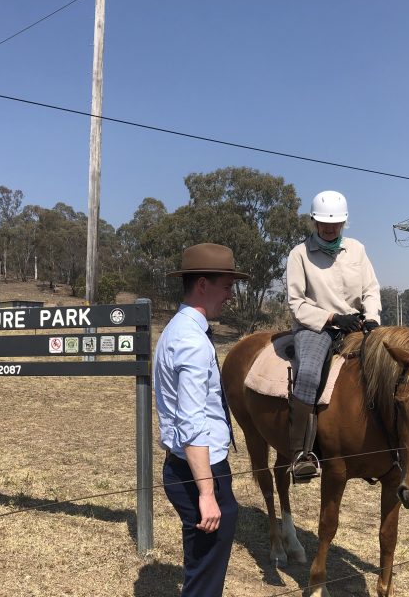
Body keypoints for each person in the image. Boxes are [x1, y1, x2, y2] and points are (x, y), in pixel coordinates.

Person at [154, 242, 249, 597]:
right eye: (226, 286)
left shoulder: (176, 330)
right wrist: (207, 493)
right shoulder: (192, 342)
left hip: (187, 467)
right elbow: (192, 421)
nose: (230, 295)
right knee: (205, 577)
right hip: (199, 472)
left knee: (201, 566)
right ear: (203, 285)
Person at [285, 190, 381, 481]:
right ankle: (301, 453)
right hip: (318, 327)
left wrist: (373, 319)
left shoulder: (357, 250)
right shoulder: (299, 254)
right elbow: (296, 303)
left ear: (344, 222)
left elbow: (371, 290)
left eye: (335, 223)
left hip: (357, 325)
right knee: (310, 374)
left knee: (390, 366)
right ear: (314, 221)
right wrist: (331, 317)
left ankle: (386, 447)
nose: (329, 228)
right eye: (324, 223)